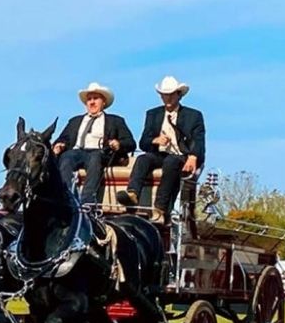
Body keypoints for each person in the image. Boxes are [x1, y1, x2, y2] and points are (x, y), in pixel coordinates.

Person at [117, 75, 206, 223]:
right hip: (159, 154)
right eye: (164, 95)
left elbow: (198, 140)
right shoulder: (153, 114)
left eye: (171, 95)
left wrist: (193, 156)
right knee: (142, 159)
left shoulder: (193, 116)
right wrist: (155, 140)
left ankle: (160, 208)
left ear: (179, 95)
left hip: (181, 156)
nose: (168, 99)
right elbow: (143, 143)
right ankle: (132, 194)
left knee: (171, 162)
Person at [51, 82, 135, 202]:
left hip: (101, 153)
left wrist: (118, 144)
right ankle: (68, 197)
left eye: (95, 98)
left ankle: (87, 201)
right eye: (89, 99)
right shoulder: (75, 121)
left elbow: (131, 143)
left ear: (104, 102)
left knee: (96, 157)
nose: (91, 102)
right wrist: (59, 145)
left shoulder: (115, 121)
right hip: (77, 152)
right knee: (66, 157)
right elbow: (62, 139)